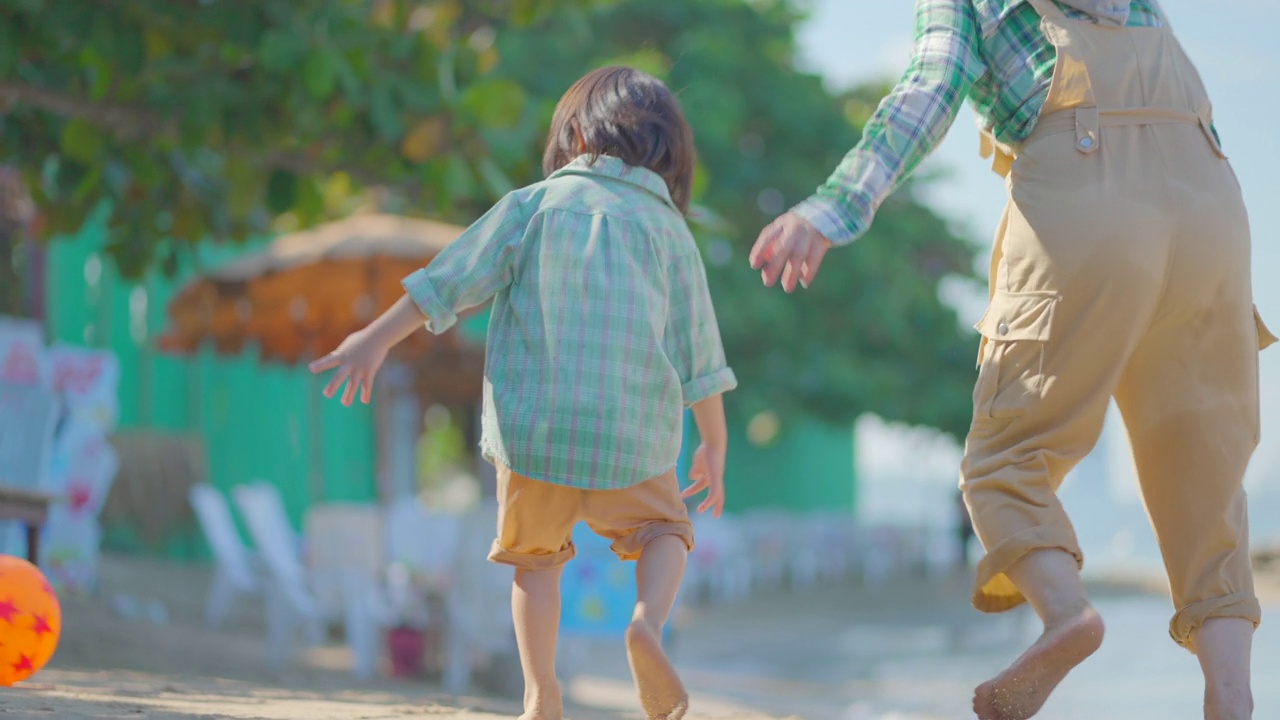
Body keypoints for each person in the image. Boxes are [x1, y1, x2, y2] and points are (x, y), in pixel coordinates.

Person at [748, 1, 1277, 718]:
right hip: (1212, 212)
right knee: (1206, 493)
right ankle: (1234, 698)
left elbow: (928, 90)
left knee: (1006, 462)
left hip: (1088, 197)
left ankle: (1067, 615)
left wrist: (834, 206)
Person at [309, 66, 737, 720]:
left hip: (535, 434)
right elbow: (699, 357)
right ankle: (646, 623)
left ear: (571, 132)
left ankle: (541, 692)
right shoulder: (671, 234)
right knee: (665, 532)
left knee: (535, 564)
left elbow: (445, 283)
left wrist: (374, 338)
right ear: (671, 155)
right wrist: (714, 441)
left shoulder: (531, 206)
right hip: (633, 438)